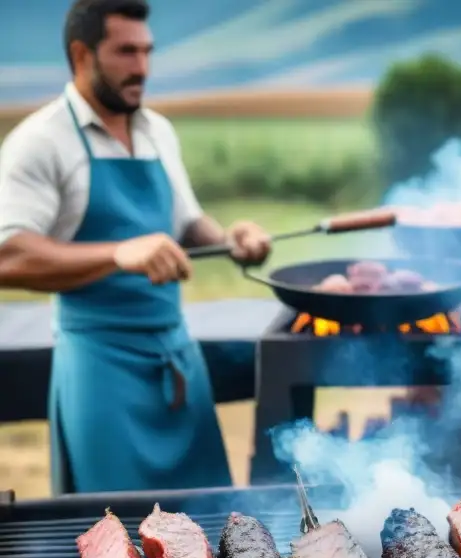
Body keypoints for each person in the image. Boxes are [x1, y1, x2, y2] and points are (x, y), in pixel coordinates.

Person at [0, 0, 272, 494]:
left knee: (213, 535)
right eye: (126, 52)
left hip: (179, 363)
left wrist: (230, 240)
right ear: (82, 55)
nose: (142, 67)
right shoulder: (40, 142)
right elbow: (7, 254)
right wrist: (115, 254)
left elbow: (186, 221)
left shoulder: (157, 130)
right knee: (116, 541)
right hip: (101, 373)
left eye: (147, 51)